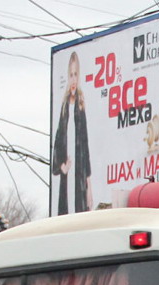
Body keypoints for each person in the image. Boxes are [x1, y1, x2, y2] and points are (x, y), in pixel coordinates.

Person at [52, 51, 92, 215]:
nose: (73, 79)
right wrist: (61, 167)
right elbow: (57, 142)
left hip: (79, 177)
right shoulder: (63, 109)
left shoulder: (80, 107)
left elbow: (85, 146)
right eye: (71, 75)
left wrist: (89, 185)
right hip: (66, 178)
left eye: (76, 75)